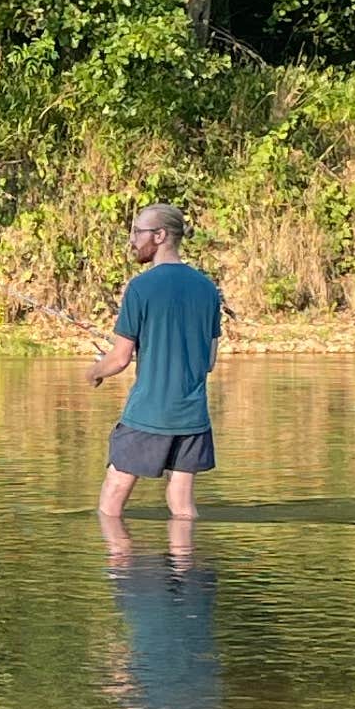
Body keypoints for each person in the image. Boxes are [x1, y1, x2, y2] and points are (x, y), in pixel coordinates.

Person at [90, 201, 227, 536]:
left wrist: (94, 371)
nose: (133, 240)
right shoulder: (208, 289)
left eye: (138, 232)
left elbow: (119, 359)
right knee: (181, 502)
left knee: (113, 498)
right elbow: (208, 362)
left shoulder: (141, 287)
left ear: (161, 235)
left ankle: (122, 568)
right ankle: (186, 575)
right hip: (193, 415)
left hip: (148, 413)